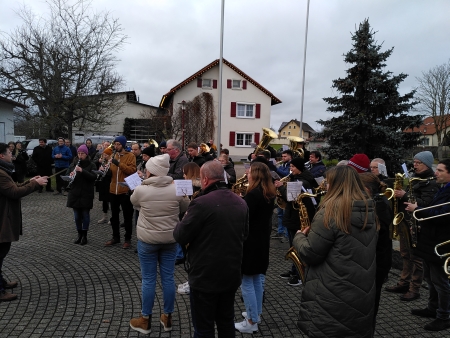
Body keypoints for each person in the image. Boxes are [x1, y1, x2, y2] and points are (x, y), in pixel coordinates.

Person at [293, 165, 378, 337]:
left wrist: (299, 237)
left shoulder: (330, 211)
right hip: (361, 290)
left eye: (328, 183)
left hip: (331, 291)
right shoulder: (368, 208)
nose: (325, 186)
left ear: (337, 185)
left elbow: (311, 253)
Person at [173, 161, 249, 337]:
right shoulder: (241, 202)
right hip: (231, 273)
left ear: (205, 179)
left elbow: (180, 236)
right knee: (226, 322)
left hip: (205, 276)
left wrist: (183, 219)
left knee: (203, 328)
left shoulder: (200, 203)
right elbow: (245, 235)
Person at [129, 154, 187, 334]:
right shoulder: (176, 189)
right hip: (170, 239)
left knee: (148, 280)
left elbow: (134, 204)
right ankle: (167, 317)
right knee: (168, 278)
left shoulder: (141, 190)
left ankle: (145, 319)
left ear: (151, 171)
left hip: (147, 240)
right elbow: (185, 208)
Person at [385, 151, 439, 301]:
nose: (414, 165)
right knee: (405, 254)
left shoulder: (431, 182)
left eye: (418, 163)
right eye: (414, 162)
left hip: (418, 225)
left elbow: (426, 204)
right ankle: (404, 282)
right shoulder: (416, 179)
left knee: (416, 258)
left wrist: (405, 196)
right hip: (406, 221)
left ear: (427, 164)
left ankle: (414, 289)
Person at [0, 143, 48, 301]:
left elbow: (12, 187)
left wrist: (31, 181)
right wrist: (35, 184)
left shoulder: (4, 170)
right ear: (1, 155)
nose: (11, 155)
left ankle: (1, 283)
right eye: (9, 152)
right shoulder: (0, 173)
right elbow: (13, 192)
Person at [407, 158, 450, 332]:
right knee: (431, 279)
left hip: (440, 241)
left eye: (440, 170)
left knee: (441, 282)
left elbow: (441, 214)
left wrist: (416, 209)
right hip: (431, 239)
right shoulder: (443, 188)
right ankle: (433, 308)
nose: (435, 173)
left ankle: (444, 316)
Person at [235, 162, 276, 334]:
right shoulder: (269, 193)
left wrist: (239, 201)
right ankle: (256, 314)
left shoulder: (253, 195)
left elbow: (243, 217)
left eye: (250, 171)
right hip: (261, 241)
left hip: (250, 242)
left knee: (247, 282)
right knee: (257, 280)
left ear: (256, 175)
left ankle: (251, 321)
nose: (247, 173)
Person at [275, 157, 317, 286]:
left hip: (297, 218)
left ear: (299, 167)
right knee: (293, 246)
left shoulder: (303, 182)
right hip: (292, 216)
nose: (290, 169)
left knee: (297, 246)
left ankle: (300, 275)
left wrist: (281, 187)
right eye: (290, 167)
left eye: (293, 167)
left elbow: (291, 198)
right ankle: (294, 270)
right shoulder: (296, 179)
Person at [359, 172, 393, 330]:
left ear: (366, 189)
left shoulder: (375, 207)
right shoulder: (379, 201)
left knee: (369, 308)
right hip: (378, 263)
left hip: (375, 264)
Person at [104, 136, 136, 249]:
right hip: (113, 190)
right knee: (114, 216)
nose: (116, 146)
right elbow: (112, 172)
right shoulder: (114, 155)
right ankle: (115, 237)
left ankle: (127, 239)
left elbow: (131, 170)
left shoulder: (130, 156)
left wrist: (118, 164)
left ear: (123, 145)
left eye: (118, 144)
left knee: (127, 216)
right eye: (115, 144)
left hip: (125, 190)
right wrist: (104, 169)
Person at [66, 145, 97, 245]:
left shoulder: (92, 165)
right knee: (77, 216)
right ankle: (79, 234)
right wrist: (70, 175)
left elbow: (93, 177)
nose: (80, 155)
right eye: (79, 153)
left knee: (85, 215)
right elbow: (67, 175)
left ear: (86, 154)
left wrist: (82, 171)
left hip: (86, 193)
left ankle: (85, 235)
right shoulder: (73, 164)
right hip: (74, 193)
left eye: (82, 154)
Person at [275, 150, 293, 242]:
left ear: (290, 157)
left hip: (286, 191)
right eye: (282, 156)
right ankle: (280, 231)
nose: (283, 158)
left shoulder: (291, 165)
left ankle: (286, 234)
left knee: (286, 214)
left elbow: (286, 174)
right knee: (280, 214)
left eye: (285, 156)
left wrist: (276, 169)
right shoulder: (283, 165)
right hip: (280, 191)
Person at [96, 147, 113, 224]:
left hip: (110, 183)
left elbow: (113, 173)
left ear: (110, 155)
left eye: (106, 155)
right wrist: (100, 170)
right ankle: (105, 216)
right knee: (104, 201)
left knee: (111, 201)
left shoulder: (112, 162)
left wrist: (107, 170)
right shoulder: (103, 162)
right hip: (103, 183)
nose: (104, 156)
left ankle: (112, 217)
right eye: (104, 155)